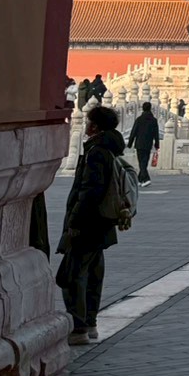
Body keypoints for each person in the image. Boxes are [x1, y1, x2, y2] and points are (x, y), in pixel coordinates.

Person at [55, 104, 125, 346]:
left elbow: (89, 191)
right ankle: (90, 323)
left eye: (88, 121)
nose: (85, 125)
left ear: (94, 126)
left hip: (87, 224)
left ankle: (79, 327)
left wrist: (74, 222)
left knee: (73, 275)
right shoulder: (110, 149)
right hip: (102, 224)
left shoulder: (96, 152)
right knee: (93, 275)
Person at [126, 101, 161, 186]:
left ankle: (145, 179)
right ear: (150, 108)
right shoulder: (154, 120)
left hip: (139, 143)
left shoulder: (139, 119)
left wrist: (130, 143)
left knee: (141, 162)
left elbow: (133, 132)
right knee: (144, 162)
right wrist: (157, 144)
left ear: (143, 108)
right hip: (148, 143)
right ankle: (141, 179)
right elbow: (156, 134)